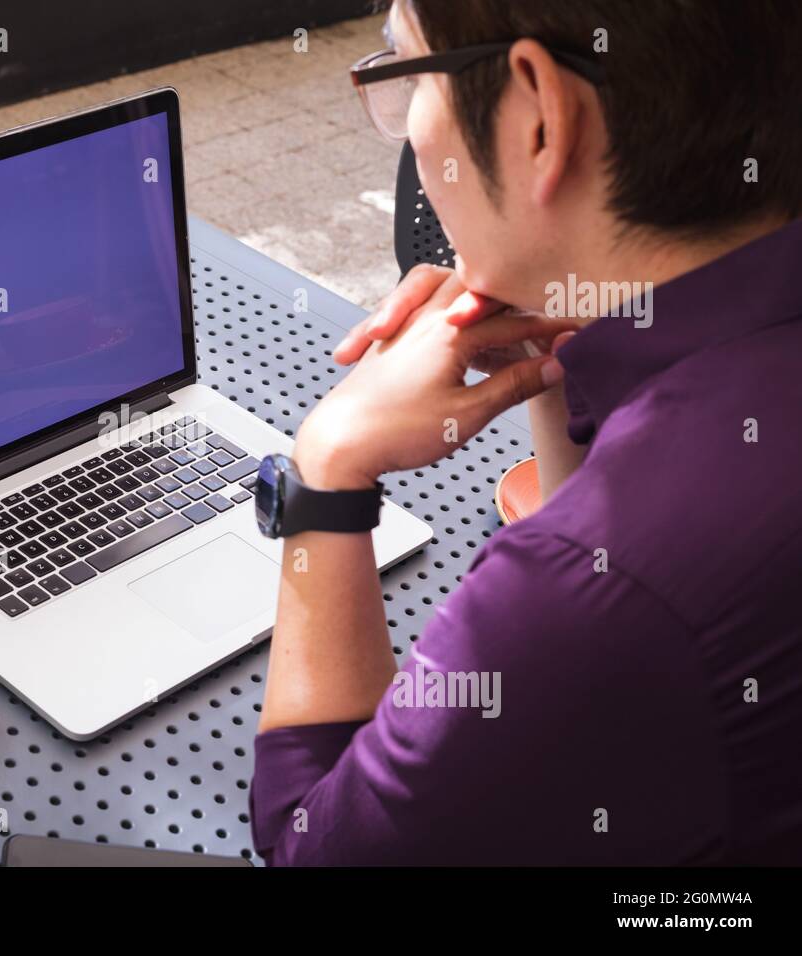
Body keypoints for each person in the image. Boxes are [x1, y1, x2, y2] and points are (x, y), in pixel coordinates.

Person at [249, 0, 802, 864]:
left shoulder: (585, 590)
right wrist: (562, 323)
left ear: (540, 116)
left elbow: (310, 843)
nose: (408, 139)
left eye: (405, 71)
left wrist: (325, 471)